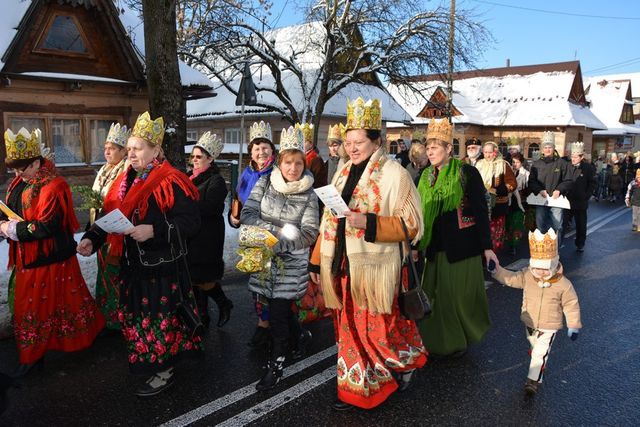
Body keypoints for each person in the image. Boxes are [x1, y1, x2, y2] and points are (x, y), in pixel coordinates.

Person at [309, 97, 427, 410]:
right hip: (344, 267)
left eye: (359, 141)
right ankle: (360, 388)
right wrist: (317, 260)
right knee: (350, 330)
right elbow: (330, 221)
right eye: (348, 142)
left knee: (378, 330)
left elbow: (413, 225)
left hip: (377, 269)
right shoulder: (342, 173)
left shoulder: (395, 174)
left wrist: (370, 223)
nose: (352, 148)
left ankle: (399, 364)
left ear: (376, 141)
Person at [78, 112, 202, 397]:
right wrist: (92, 238)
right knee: (138, 318)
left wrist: (154, 230)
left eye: (137, 148)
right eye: (130, 148)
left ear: (156, 150)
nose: (131, 154)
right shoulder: (125, 180)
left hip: (161, 268)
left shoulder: (171, 180)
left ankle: (165, 369)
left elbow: (190, 222)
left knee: (160, 319)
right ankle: (150, 360)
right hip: (133, 265)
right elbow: (112, 217)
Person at [1, 128, 104, 377]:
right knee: (38, 307)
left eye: (22, 168)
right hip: (29, 258)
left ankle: (33, 356)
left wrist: (14, 229)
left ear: (36, 163)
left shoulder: (55, 186)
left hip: (49, 259)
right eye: (14, 169)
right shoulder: (20, 182)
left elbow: (48, 225)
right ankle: (34, 354)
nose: (17, 174)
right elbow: (12, 210)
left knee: (38, 308)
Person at [240, 125, 319, 390]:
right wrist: (275, 232)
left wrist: (277, 240)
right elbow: (247, 216)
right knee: (279, 314)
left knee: (277, 315)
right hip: (264, 261)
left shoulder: (309, 193)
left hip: (290, 266)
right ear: (280, 162)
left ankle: (276, 367)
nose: (293, 168)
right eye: (288, 162)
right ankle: (300, 337)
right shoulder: (265, 182)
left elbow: (309, 233)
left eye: (298, 163)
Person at [416, 118, 497, 359]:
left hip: (461, 247)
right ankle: (433, 341)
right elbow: (419, 212)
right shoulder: (425, 175)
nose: (430, 151)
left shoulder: (466, 172)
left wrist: (487, 247)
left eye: (436, 147)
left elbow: (482, 210)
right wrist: (415, 244)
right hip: (433, 246)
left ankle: (457, 340)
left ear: (449, 148)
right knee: (433, 296)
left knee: (454, 299)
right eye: (428, 147)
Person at [490, 228, 581, 396]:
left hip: (550, 325)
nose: (541, 272)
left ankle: (532, 381)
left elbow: (571, 304)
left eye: (545, 268)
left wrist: (573, 325)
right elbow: (511, 278)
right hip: (530, 322)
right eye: (537, 268)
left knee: (539, 353)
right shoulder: (528, 276)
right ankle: (538, 361)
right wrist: (497, 270)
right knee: (535, 347)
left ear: (554, 264)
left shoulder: (563, 284)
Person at [228, 121, 276, 348]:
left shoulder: (278, 173)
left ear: (272, 150)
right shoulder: (246, 174)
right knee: (257, 281)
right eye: (256, 148)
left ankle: (279, 323)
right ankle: (262, 323)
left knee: (273, 280)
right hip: (251, 235)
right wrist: (233, 218)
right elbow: (237, 202)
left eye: (265, 147)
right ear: (251, 152)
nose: (261, 152)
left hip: (271, 235)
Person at [188, 132, 232, 328]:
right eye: (193, 156)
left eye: (199, 157)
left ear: (210, 159)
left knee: (204, 278)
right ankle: (202, 316)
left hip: (208, 235)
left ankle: (223, 304)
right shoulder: (190, 177)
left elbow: (212, 207)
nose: (194, 160)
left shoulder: (216, 180)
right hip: (193, 234)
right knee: (194, 278)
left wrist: (186, 206)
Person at [91, 123, 130, 331]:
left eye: (112, 148)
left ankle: (117, 319)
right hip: (101, 231)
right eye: (106, 147)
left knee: (114, 274)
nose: (107, 151)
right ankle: (105, 316)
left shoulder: (126, 172)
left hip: (116, 232)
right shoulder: (105, 170)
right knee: (104, 274)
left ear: (124, 151)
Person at [527, 131, 573, 246]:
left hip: (556, 201)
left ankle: (556, 250)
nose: (547, 149)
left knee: (557, 226)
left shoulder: (562, 163)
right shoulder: (537, 164)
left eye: (550, 147)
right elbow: (531, 181)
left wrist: (559, 190)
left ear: (554, 148)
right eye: (545, 147)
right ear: (542, 149)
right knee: (541, 225)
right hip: (541, 200)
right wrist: (539, 190)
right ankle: (543, 250)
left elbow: (568, 180)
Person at [475, 141, 517, 253]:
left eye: (490, 152)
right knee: (483, 231)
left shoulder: (503, 165)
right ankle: (483, 254)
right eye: (485, 152)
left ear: (495, 152)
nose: (488, 155)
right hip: (482, 205)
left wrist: (497, 190)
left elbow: (512, 184)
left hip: (497, 205)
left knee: (494, 234)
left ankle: (493, 256)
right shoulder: (479, 164)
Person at [566, 143, 596, 252]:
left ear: (581, 157)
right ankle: (558, 245)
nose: (573, 159)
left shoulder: (588, 168)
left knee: (581, 225)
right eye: (572, 156)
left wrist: (586, 195)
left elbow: (592, 183)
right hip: (567, 201)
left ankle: (580, 244)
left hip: (580, 202)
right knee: (562, 224)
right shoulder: (567, 166)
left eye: (575, 157)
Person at [506, 153, 529, 255]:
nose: (515, 164)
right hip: (508, 201)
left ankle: (513, 245)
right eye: (513, 162)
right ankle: (508, 242)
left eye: (517, 162)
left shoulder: (526, 174)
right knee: (508, 223)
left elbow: (528, 188)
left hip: (520, 202)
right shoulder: (507, 172)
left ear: (521, 162)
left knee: (517, 224)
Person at [297, 122, 327, 188]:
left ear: (311, 144)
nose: (301, 144)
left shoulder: (316, 159)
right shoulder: (298, 157)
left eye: (304, 142)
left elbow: (317, 181)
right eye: (299, 142)